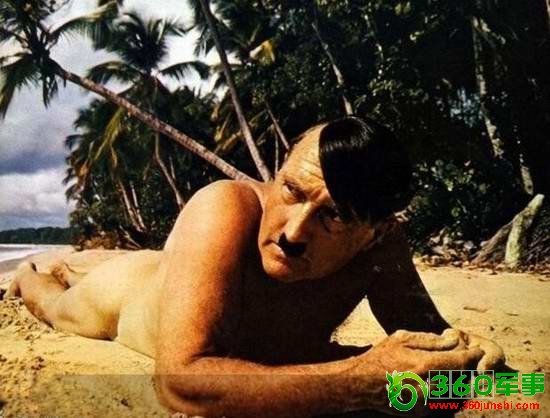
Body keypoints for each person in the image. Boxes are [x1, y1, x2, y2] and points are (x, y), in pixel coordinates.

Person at [10, 116, 504, 417]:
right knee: (56, 304)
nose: (293, 232)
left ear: (373, 233)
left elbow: (434, 340)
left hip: (183, 273)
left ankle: (73, 268)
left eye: (333, 216)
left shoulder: (382, 248)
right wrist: (358, 380)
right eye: (291, 191)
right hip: (127, 297)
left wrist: (472, 354)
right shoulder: (225, 207)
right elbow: (180, 382)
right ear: (279, 172)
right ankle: (29, 272)